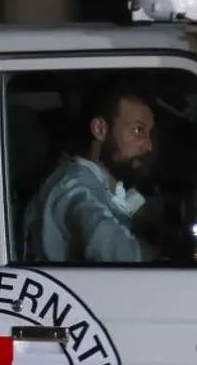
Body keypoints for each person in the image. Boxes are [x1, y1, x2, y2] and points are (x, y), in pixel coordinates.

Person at [23, 80, 159, 263]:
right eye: (137, 130)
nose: (149, 145)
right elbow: (122, 255)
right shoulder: (75, 187)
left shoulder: (102, 182)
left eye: (149, 133)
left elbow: (130, 207)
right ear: (100, 129)